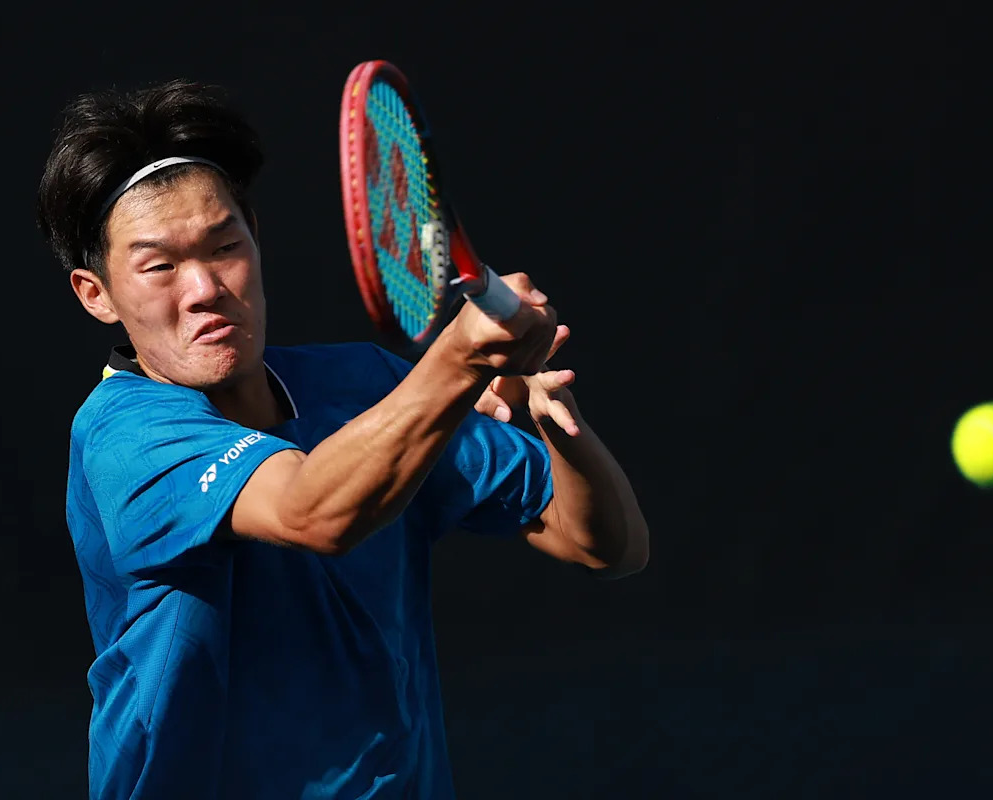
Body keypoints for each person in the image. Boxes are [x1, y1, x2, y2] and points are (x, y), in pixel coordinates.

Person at [37, 78, 648, 800]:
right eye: (159, 266)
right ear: (97, 294)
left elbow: (606, 547)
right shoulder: (124, 436)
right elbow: (313, 512)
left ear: (254, 237)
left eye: (224, 246)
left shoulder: (366, 385)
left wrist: (555, 418)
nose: (203, 287)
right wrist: (458, 364)